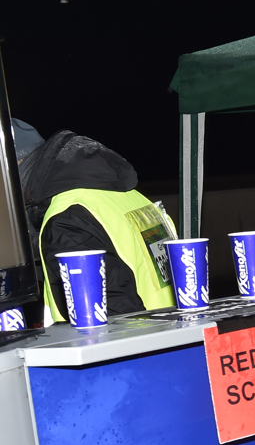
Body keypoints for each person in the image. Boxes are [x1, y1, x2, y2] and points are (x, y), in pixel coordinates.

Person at [14, 119, 176, 324]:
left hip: (139, 349)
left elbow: (112, 322)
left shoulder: (67, 218)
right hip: (175, 337)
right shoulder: (120, 192)